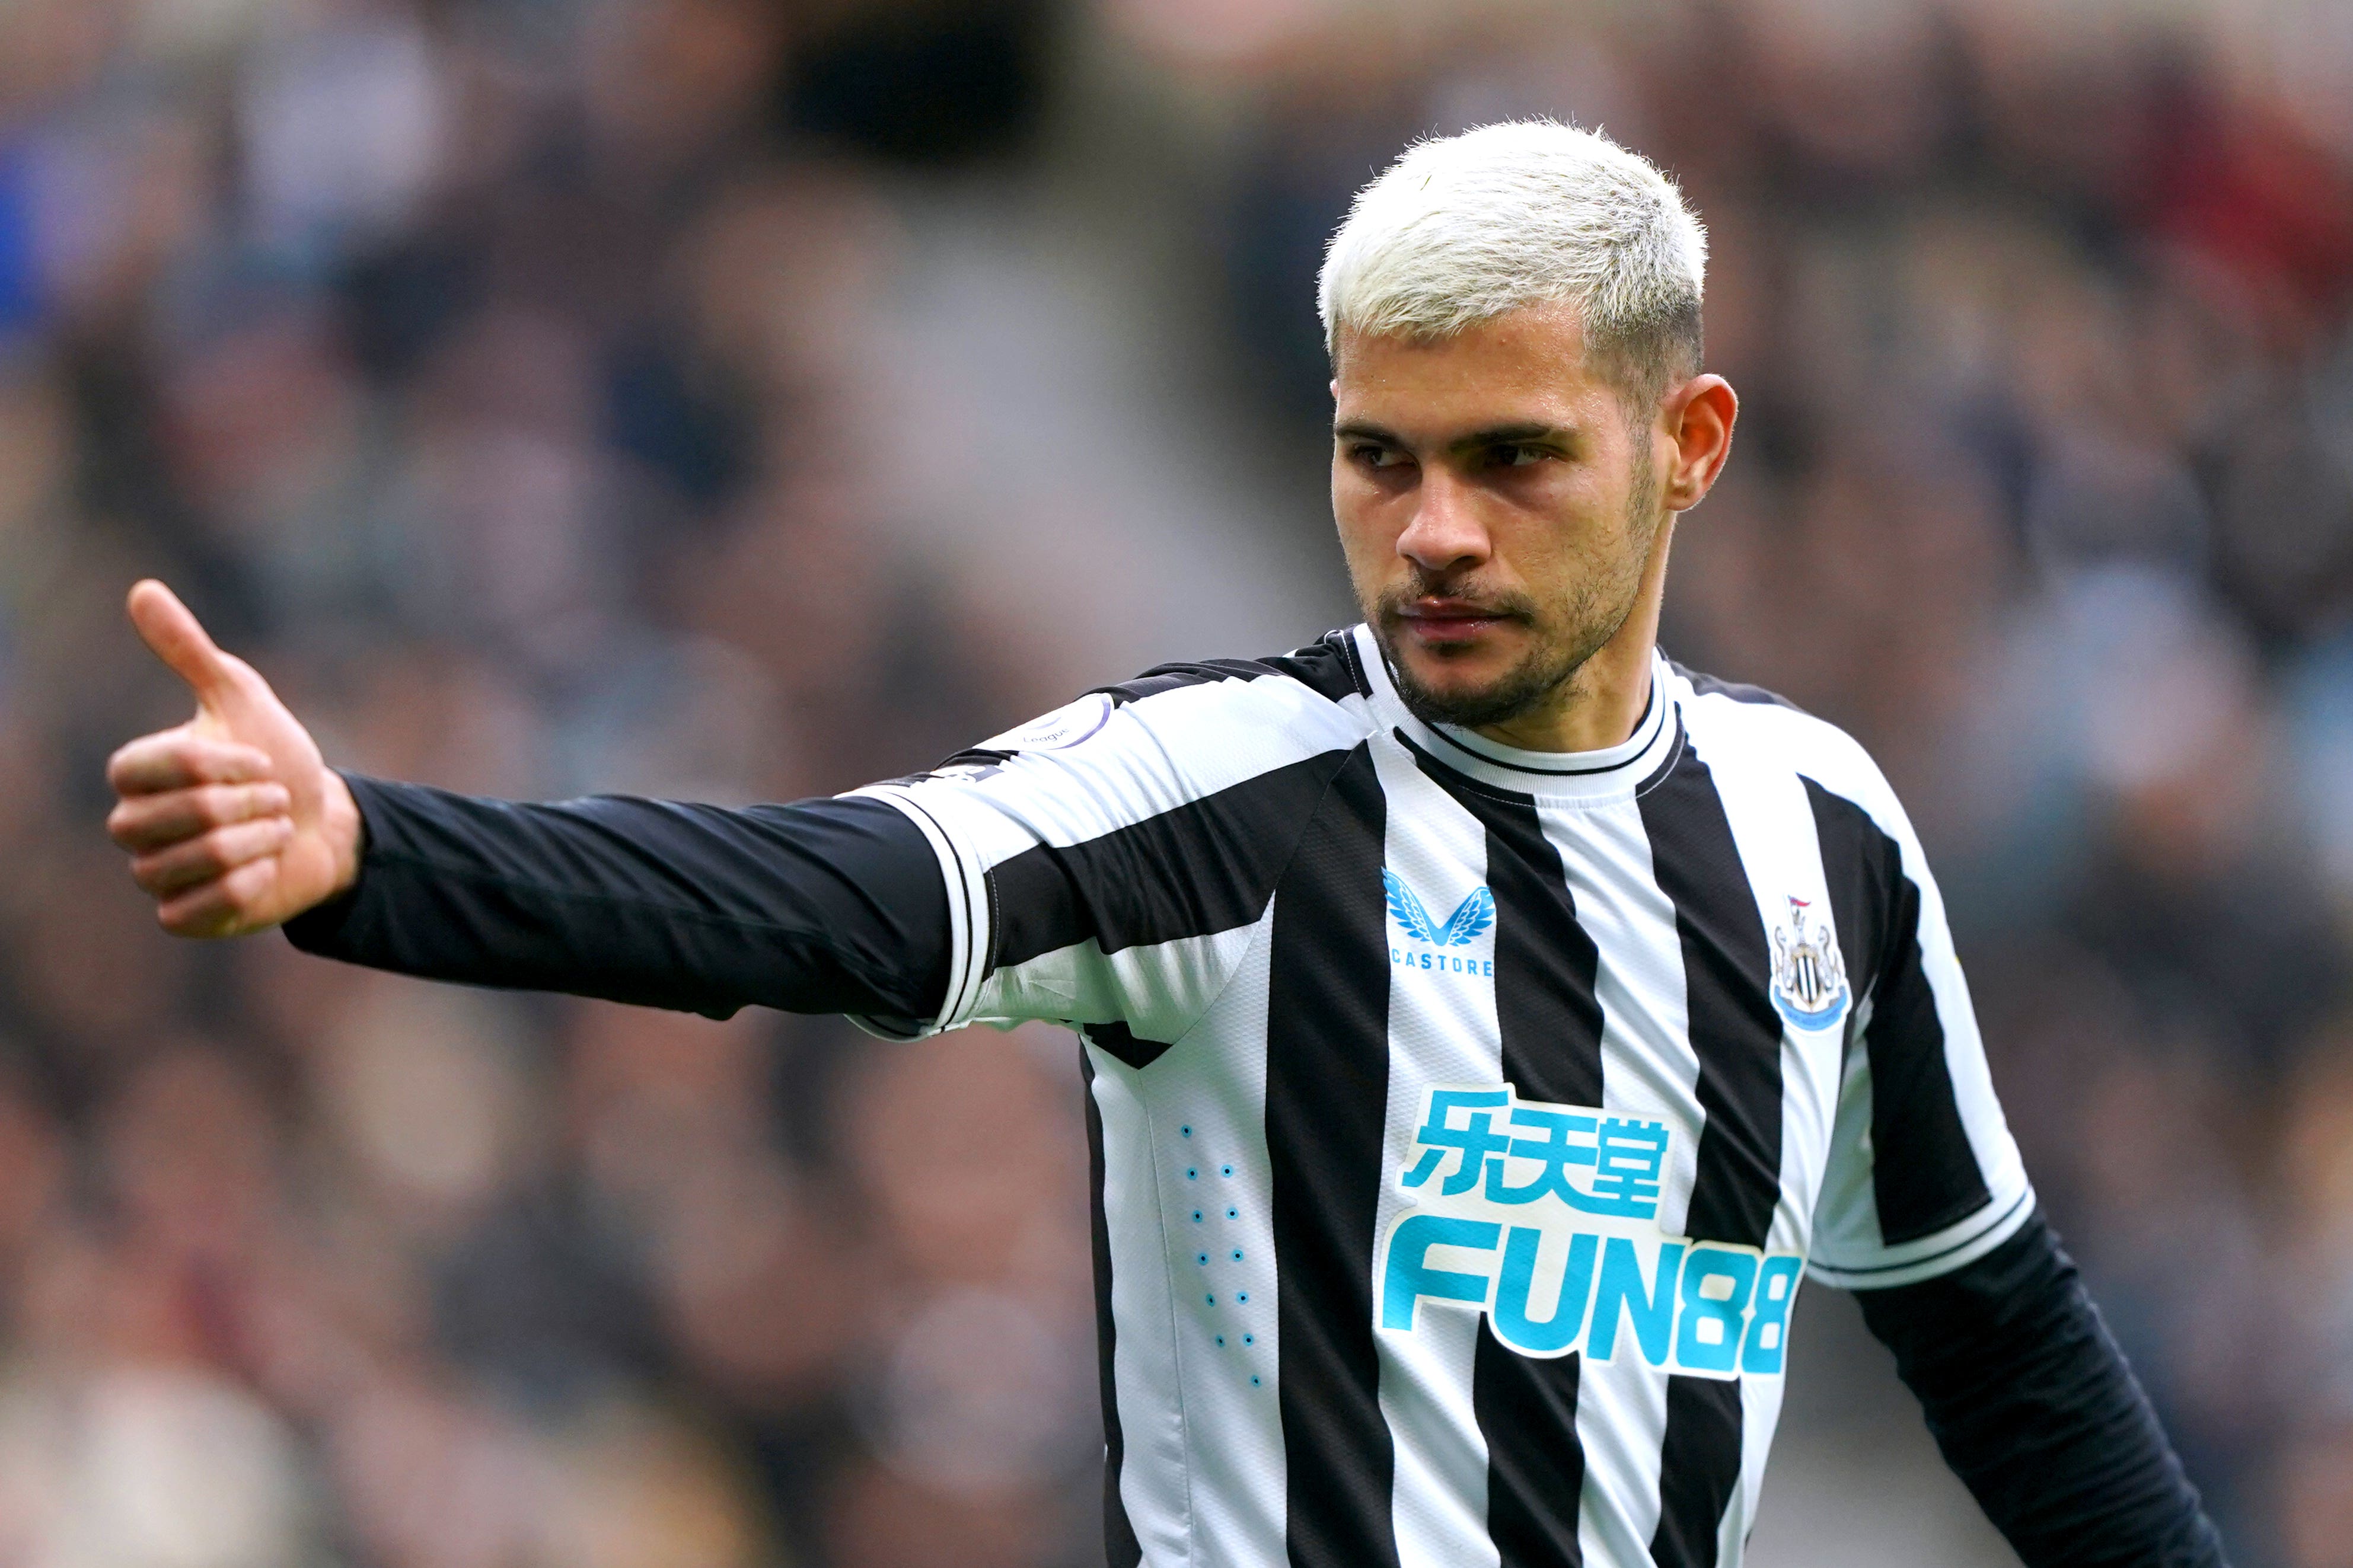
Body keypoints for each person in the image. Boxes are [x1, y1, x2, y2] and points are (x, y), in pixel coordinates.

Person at [104, 122, 2224, 1567]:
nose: (1436, 530)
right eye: (1376, 458)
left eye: (1512, 459)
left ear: (1689, 447)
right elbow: (825, 900)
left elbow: (1992, 1322)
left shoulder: (1817, 833)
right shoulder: (1219, 798)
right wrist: (374, 847)